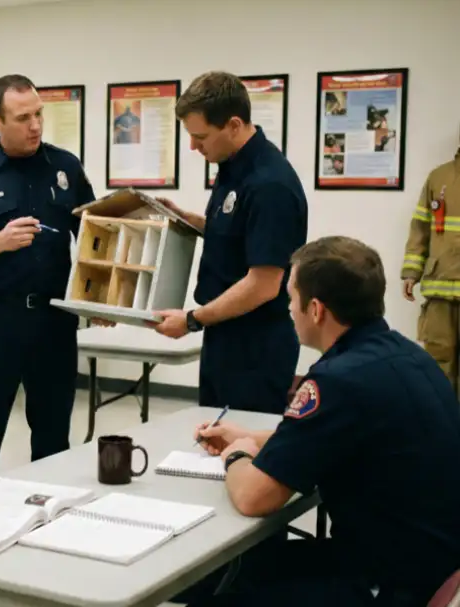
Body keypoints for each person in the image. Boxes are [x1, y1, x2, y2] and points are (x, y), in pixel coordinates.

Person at [186, 236, 460, 607]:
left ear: (315, 309)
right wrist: (251, 437)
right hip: (426, 563)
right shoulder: (405, 355)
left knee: (213, 599)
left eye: (290, 297)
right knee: (232, 571)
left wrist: (237, 455)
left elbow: (253, 498)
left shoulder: (338, 380)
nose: (288, 309)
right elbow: (339, 437)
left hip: (388, 584)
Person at [0, 74, 98, 484]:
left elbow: (95, 235)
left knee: (53, 435)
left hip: (54, 320)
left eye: (39, 114)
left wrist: (99, 300)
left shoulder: (65, 166)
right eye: (23, 118)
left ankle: (50, 511)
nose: (36, 125)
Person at [152, 70, 308, 414]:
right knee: (214, 435)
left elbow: (263, 284)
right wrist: (188, 220)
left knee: (241, 438)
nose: (193, 146)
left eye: (200, 137)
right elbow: (239, 233)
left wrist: (191, 320)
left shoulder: (270, 185)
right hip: (224, 337)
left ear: (234, 125)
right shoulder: (232, 166)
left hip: (255, 348)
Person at [402, 145, 460, 390]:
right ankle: (441, 413)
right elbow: (420, 228)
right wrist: (411, 272)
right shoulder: (439, 177)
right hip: (440, 291)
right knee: (438, 362)